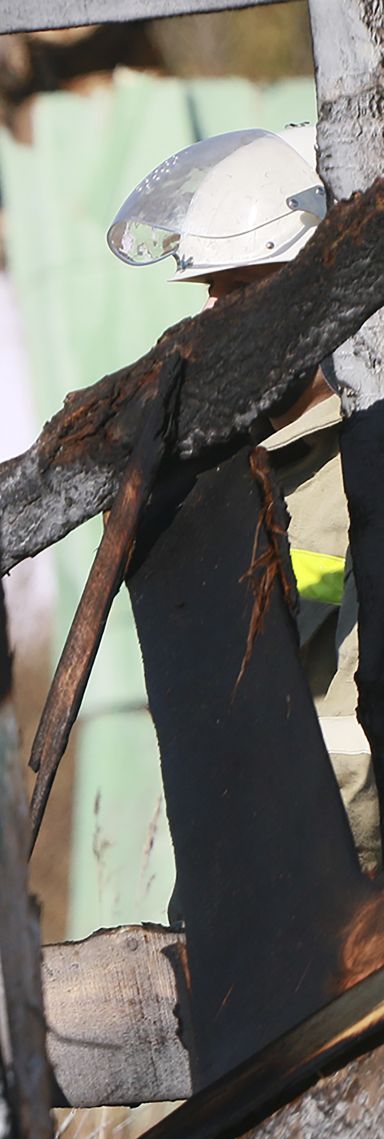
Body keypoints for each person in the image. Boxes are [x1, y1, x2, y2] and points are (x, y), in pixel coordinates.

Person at [108, 123, 378, 868]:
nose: (218, 321)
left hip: (344, 903)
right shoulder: (238, 465)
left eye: (242, 292)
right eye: (212, 296)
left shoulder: (363, 465)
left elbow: (352, 747)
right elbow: (309, 588)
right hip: (257, 901)